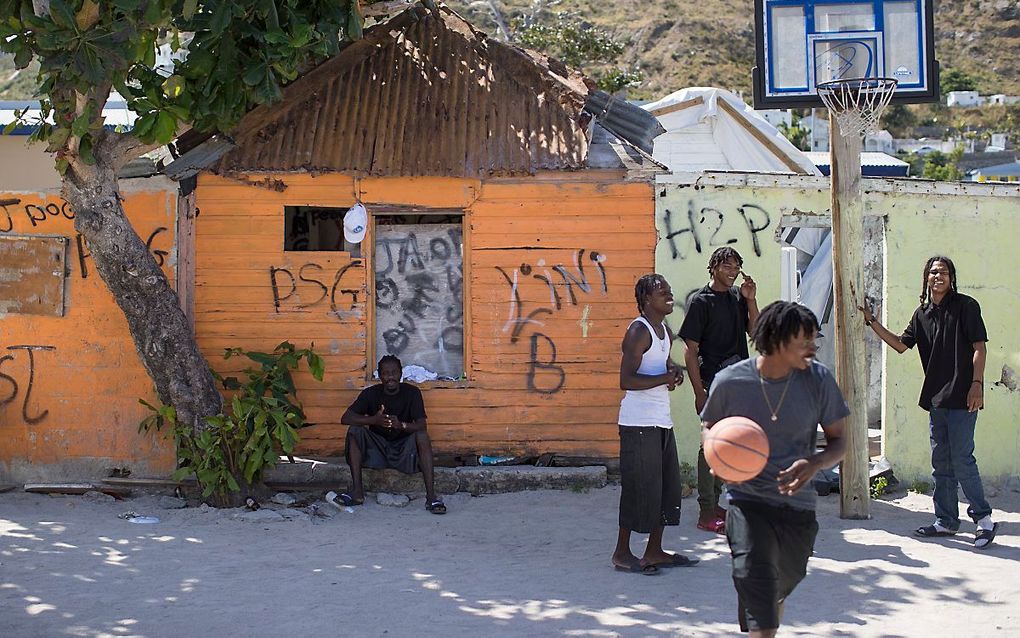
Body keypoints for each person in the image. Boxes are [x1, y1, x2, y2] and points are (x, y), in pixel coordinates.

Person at [701, 301, 848, 637]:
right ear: (778, 340)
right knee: (761, 592)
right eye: (805, 340)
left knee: (782, 583)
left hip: (797, 507)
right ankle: (759, 606)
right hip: (746, 501)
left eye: (815, 339)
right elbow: (709, 427)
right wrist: (716, 457)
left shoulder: (819, 380)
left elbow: (840, 442)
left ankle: (763, 600)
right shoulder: (730, 382)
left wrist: (815, 463)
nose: (813, 347)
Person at [860, 255, 997, 548]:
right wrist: (871, 322)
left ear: (951, 278)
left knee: (962, 460)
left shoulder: (966, 306)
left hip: (963, 397)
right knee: (941, 463)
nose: (938, 276)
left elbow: (979, 348)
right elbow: (900, 344)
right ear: (926, 278)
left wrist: (977, 385)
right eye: (934, 272)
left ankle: (984, 520)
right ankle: (946, 521)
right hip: (936, 400)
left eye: (944, 272)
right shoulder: (921, 315)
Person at [612, 273, 699, 575]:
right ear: (647, 299)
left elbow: (659, 369)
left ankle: (654, 551)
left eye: (668, 289)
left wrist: (671, 373)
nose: (668, 294)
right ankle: (622, 553)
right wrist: (663, 378)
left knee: (665, 489)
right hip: (638, 424)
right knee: (638, 488)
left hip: (661, 421)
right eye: (661, 291)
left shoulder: (664, 330)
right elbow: (626, 380)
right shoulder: (639, 332)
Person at [679, 246, 759, 534]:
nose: (732, 271)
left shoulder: (738, 297)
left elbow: (756, 331)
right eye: (726, 266)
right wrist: (699, 392)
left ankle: (714, 504)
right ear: (713, 267)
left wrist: (751, 300)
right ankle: (705, 510)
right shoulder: (702, 302)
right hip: (714, 383)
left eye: (736, 266)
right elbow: (690, 352)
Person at [339, 355, 445, 514]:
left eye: (394, 372)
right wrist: (374, 420)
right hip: (378, 451)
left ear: (401, 374)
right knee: (354, 431)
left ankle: (431, 497)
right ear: (379, 375)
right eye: (385, 373)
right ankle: (357, 492)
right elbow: (345, 418)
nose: (390, 377)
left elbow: (422, 425)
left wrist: (400, 425)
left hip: (404, 451)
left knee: (422, 435)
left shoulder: (412, 393)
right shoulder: (370, 394)